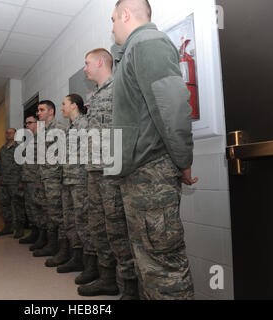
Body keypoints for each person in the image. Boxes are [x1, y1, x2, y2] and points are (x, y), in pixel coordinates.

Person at [111, 0, 198, 300]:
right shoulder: (134, 50)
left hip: (151, 173)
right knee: (149, 263)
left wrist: (183, 160)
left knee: (163, 268)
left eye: (113, 20)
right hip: (139, 174)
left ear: (125, 14)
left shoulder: (148, 42)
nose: (112, 28)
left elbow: (172, 107)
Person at [78, 48, 138, 299]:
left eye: (87, 63)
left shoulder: (118, 89)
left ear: (101, 61)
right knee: (97, 225)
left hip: (112, 171)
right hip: (94, 170)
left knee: (116, 228)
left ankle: (130, 289)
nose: (85, 68)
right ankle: (107, 279)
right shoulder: (97, 94)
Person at [55, 94, 92, 274]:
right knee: (70, 221)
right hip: (67, 180)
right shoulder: (70, 128)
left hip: (80, 181)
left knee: (83, 222)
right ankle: (77, 258)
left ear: (74, 105)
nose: (62, 107)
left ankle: (92, 266)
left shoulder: (84, 124)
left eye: (64, 104)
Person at [33, 101, 67, 260]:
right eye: (38, 110)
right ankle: (51, 245)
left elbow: (63, 156)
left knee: (57, 214)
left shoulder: (59, 129)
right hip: (45, 178)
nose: (38, 113)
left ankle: (63, 250)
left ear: (51, 111)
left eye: (41, 110)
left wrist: (59, 178)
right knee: (48, 213)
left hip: (55, 179)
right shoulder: (42, 131)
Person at [0, 128, 25, 238]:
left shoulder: (20, 148)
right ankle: (8, 227)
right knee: (4, 205)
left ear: (15, 135)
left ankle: (19, 229)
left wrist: (22, 181)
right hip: (4, 182)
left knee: (17, 206)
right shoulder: (2, 149)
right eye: (7, 133)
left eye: (11, 133)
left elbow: (23, 166)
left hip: (15, 182)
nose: (8, 134)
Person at [18, 116, 43, 245]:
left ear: (37, 124)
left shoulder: (41, 139)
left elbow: (42, 161)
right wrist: (22, 179)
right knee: (29, 208)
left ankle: (41, 236)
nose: (27, 125)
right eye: (26, 123)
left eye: (30, 123)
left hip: (35, 180)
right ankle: (34, 232)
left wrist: (40, 179)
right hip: (27, 179)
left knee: (37, 208)